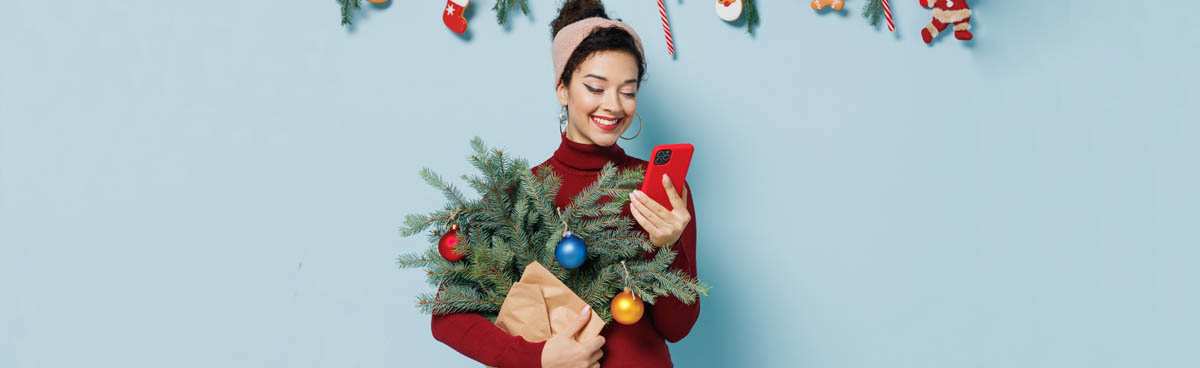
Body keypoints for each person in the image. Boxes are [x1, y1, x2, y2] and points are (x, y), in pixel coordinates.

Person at [431, 1, 700, 366]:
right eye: (595, 87)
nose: (614, 105)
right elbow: (447, 315)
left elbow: (677, 328)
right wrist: (539, 359)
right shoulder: (520, 196)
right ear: (563, 89)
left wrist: (669, 248)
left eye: (628, 90)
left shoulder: (663, 192)